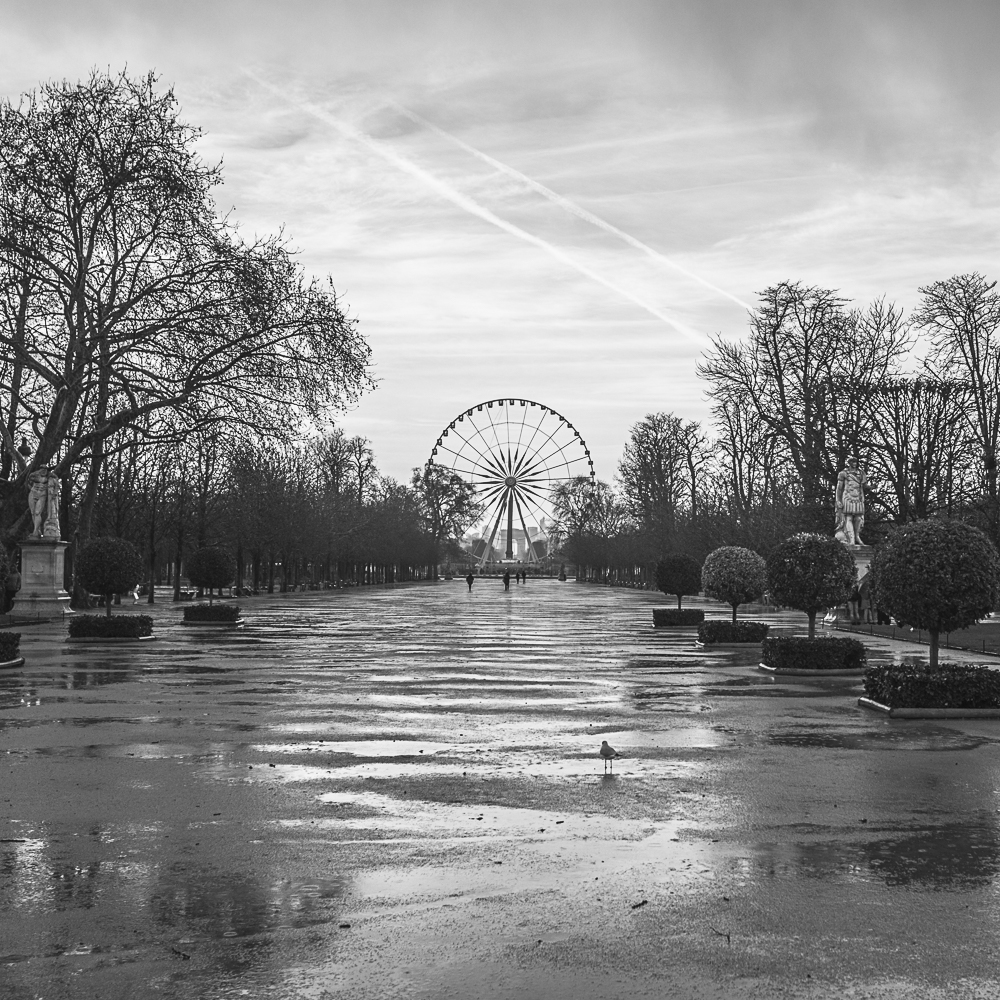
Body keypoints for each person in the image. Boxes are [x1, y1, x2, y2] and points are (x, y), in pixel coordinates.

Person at [835, 457, 867, 546]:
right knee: (848, 518)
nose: (854, 463)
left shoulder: (861, 473)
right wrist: (838, 500)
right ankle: (851, 539)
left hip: (858, 498)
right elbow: (839, 488)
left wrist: (872, 487)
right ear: (849, 463)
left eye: (855, 462)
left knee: (858, 518)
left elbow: (864, 486)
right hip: (847, 497)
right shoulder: (843, 473)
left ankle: (857, 536)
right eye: (852, 462)